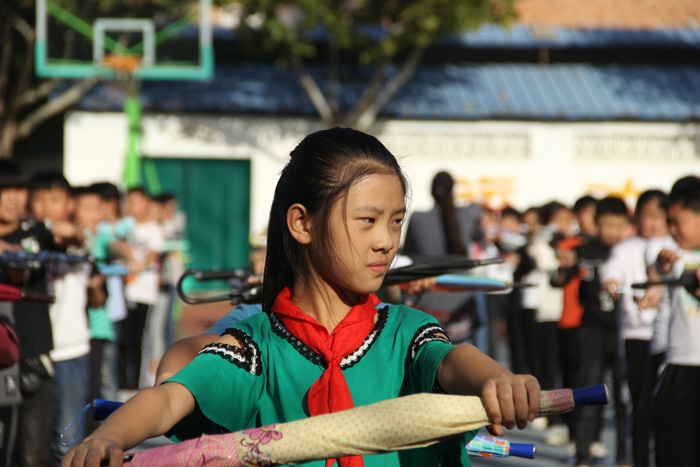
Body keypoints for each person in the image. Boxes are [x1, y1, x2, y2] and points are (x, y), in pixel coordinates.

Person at [63, 128, 540, 467]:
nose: (387, 241)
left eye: (396, 221)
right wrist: (107, 437)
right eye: (368, 220)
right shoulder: (257, 348)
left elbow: (454, 359)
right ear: (302, 223)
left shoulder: (406, 333)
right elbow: (169, 399)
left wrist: (498, 380)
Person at [555, 196, 630, 467]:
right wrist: (563, 268)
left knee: (623, 398)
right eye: (607, 224)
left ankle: (623, 456)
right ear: (596, 222)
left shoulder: (629, 252)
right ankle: (583, 454)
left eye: (618, 225)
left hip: (622, 331)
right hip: (591, 332)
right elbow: (558, 281)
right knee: (588, 392)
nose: (612, 231)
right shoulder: (583, 250)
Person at [30, 171, 96, 462]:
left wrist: (71, 232)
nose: (46, 205)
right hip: (32, 352)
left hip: (70, 350)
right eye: (39, 198)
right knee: (33, 437)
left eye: (54, 199)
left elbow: (84, 241)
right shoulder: (27, 240)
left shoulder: (78, 239)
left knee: (67, 438)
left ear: (70, 204)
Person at [600, 190, 669, 467]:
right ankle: (638, 458)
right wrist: (611, 283)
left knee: (667, 408)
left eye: (660, 217)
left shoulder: (672, 247)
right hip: (636, 335)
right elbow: (611, 272)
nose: (653, 223)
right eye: (647, 216)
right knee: (639, 405)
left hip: (666, 338)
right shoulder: (626, 248)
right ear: (637, 217)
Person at [651, 177, 700, 467]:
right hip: (679, 366)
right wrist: (660, 272)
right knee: (673, 451)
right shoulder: (672, 255)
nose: (671, 229)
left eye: (677, 221)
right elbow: (654, 279)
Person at [402, 171, 482, 346]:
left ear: (431, 192)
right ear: (454, 190)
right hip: (462, 304)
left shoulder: (418, 219)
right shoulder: (469, 214)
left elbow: (407, 257)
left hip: (428, 304)